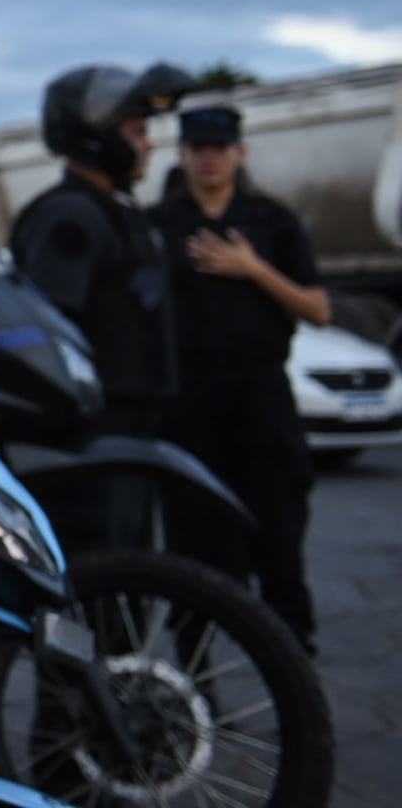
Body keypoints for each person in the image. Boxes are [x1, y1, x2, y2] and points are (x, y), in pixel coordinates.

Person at [151, 104, 329, 653]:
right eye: (198, 148)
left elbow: (318, 309)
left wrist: (252, 269)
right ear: (181, 154)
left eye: (219, 148)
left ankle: (294, 669)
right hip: (190, 400)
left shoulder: (271, 221)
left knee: (277, 534)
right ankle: (196, 684)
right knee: (196, 544)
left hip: (260, 394)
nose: (209, 158)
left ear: (239, 153)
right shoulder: (161, 226)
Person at [7, 62, 192, 552]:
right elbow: (48, 328)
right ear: (96, 135)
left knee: (129, 588)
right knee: (98, 592)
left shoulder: (115, 211)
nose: (149, 143)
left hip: (126, 439)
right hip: (89, 449)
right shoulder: (70, 216)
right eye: (137, 131)